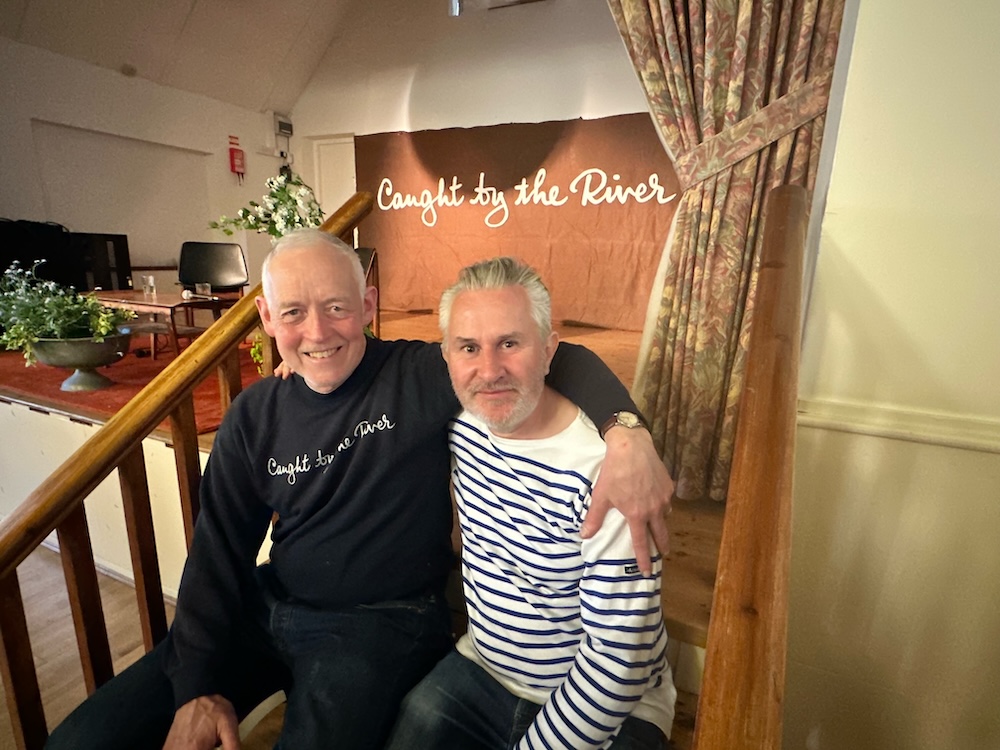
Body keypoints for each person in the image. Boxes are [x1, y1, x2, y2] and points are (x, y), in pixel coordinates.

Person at [45, 229, 673, 750]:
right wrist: (196, 688)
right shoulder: (254, 416)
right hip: (271, 605)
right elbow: (216, 557)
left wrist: (627, 433)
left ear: (368, 305)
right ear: (266, 318)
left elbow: (551, 355)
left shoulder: (425, 374)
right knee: (83, 739)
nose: (318, 332)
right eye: (293, 312)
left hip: (380, 623)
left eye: (336, 308)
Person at [384, 257, 675, 750]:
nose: (489, 371)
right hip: (483, 668)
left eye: (510, 344)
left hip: (614, 702)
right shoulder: (460, 424)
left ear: (548, 351)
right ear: (447, 356)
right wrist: (302, 364)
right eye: (469, 347)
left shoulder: (609, 473)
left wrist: (627, 433)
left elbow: (618, 661)